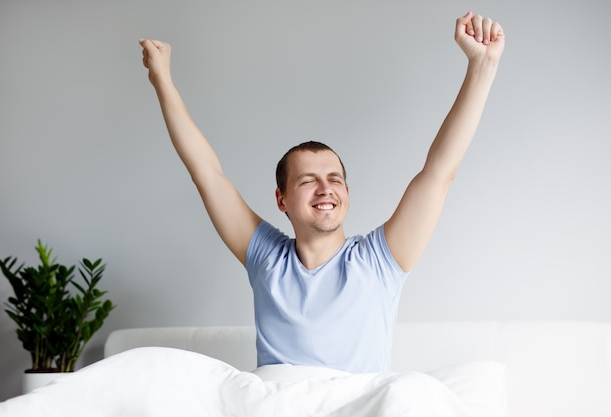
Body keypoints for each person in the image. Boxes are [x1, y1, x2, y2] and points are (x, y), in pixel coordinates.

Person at [139, 11, 505, 373]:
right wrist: (162, 80)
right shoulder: (267, 259)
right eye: (307, 180)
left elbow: (439, 173)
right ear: (281, 199)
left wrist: (482, 67)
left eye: (333, 178)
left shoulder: (378, 262)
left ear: (347, 191)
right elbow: (208, 175)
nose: (325, 188)